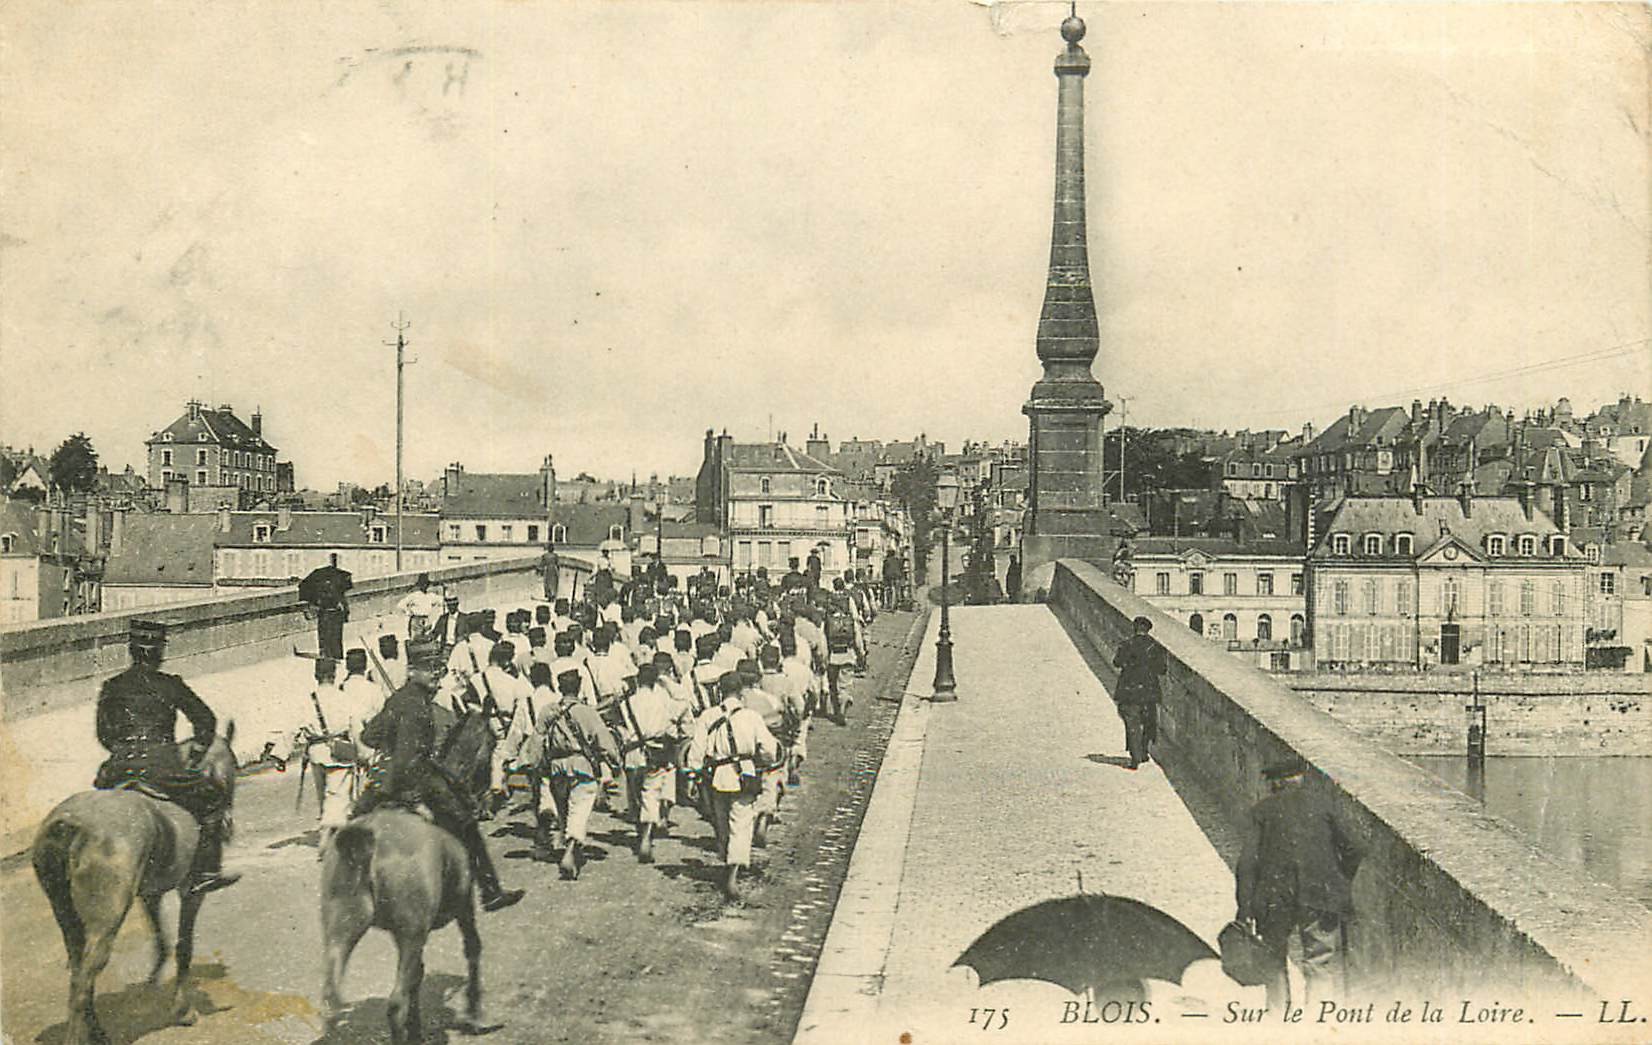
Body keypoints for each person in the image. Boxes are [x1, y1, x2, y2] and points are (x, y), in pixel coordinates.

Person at [354, 638, 524, 912]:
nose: (436, 673)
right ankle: (489, 891)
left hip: (387, 781)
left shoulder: (398, 699)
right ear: (412, 671)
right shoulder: (417, 707)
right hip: (415, 781)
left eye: (438, 667)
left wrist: (390, 740)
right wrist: (416, 795)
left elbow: (369, 736)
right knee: (466, 825)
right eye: (428, 667)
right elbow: (410, 759)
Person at [93, 619, 240, 895]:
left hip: (117, 769)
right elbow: (206, 720)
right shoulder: (170, 685)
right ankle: (205, 873)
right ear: (160, 652)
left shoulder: (112, 685)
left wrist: (122, 751)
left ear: (132, 651)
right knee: (212, 799)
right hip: (161, 768)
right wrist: (196, 752)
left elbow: (103, 733)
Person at [1235, 757, 1366, 1011]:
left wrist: (1244, 908)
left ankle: (1277, 1022)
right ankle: (1317, 1026)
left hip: (1275, 898)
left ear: (1277, 783)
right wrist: (1338, 879)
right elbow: (1356, 848)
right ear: (1300, 779)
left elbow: (1247, 865)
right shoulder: (1324, 805)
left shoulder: (1261, 811)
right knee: (1320, 962)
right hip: (1321, 896)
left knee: (1273, 960)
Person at [685, 672, 781, 901]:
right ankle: (733, 872)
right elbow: (767, 748)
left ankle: (726, 857)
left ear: (719, 691)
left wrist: (691, 775)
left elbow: (697, 749)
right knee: (742, 823)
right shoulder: (752, 717)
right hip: (744, 774)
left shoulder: (708, 716)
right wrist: (765, 761)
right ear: (740, 692)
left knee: (721, 821)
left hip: (717, 775)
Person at [539, 668, 620, 879]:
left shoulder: (548, 710)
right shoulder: (587, 712)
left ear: (559, 687)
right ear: (579, 685)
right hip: (582, 765)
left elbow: (538, 739)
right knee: (580, 809)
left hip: (556, 766)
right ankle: (571, 849)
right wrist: (614, 760)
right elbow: (603, 740)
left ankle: (568, 844)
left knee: (564, 810)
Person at [299, 650, 382, 852]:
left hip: (316, 753)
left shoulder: (309, 699)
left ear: (316, 676)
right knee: (337, 795)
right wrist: (363, 752)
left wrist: (280, 754)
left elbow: (296, 727)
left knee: (323, 796)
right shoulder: (343, 698)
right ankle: (329, 835)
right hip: (339, 752)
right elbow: (357, 724)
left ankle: (330, 831)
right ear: (334, 675)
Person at [614, 662, 694, 863]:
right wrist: (666, 681)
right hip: (655, 752)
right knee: (651, 795)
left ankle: (639, 832)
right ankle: (647, 837)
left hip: (632, 754)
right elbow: (684, 700)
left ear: (637, 680)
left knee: (635, 797)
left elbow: (617, 727)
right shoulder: (664, 703)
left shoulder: (626, 703)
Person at [1111, 616, 1165, 769]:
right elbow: (1162, 669)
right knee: (1148, 722)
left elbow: (1117, 662)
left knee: (1132, 722)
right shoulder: (1154, 647)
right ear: (1148, 630)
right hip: (1149, 690)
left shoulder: (1126, 644)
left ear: (1134, 629)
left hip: (1129, 689)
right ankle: (1143, 751)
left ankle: (1135, 756)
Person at [299, 553, 353, 660]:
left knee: (324, 635)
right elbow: (343, 600)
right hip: (335, 611)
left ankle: (326, 654)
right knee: (336, 635)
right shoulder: (339, 579)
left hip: (325, 612)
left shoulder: (320, 581)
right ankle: (336, 655)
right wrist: (346, 612)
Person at [397, 573, 443, 640]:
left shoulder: (430, 596)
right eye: (423, 584)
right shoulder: (414, 595)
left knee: (427, 639)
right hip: (416, 620)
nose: (425, 586)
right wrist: (408, 612)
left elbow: (441, 600)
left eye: (426, 584)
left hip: (427, 620)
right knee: (416, 639)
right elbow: (401, 604)